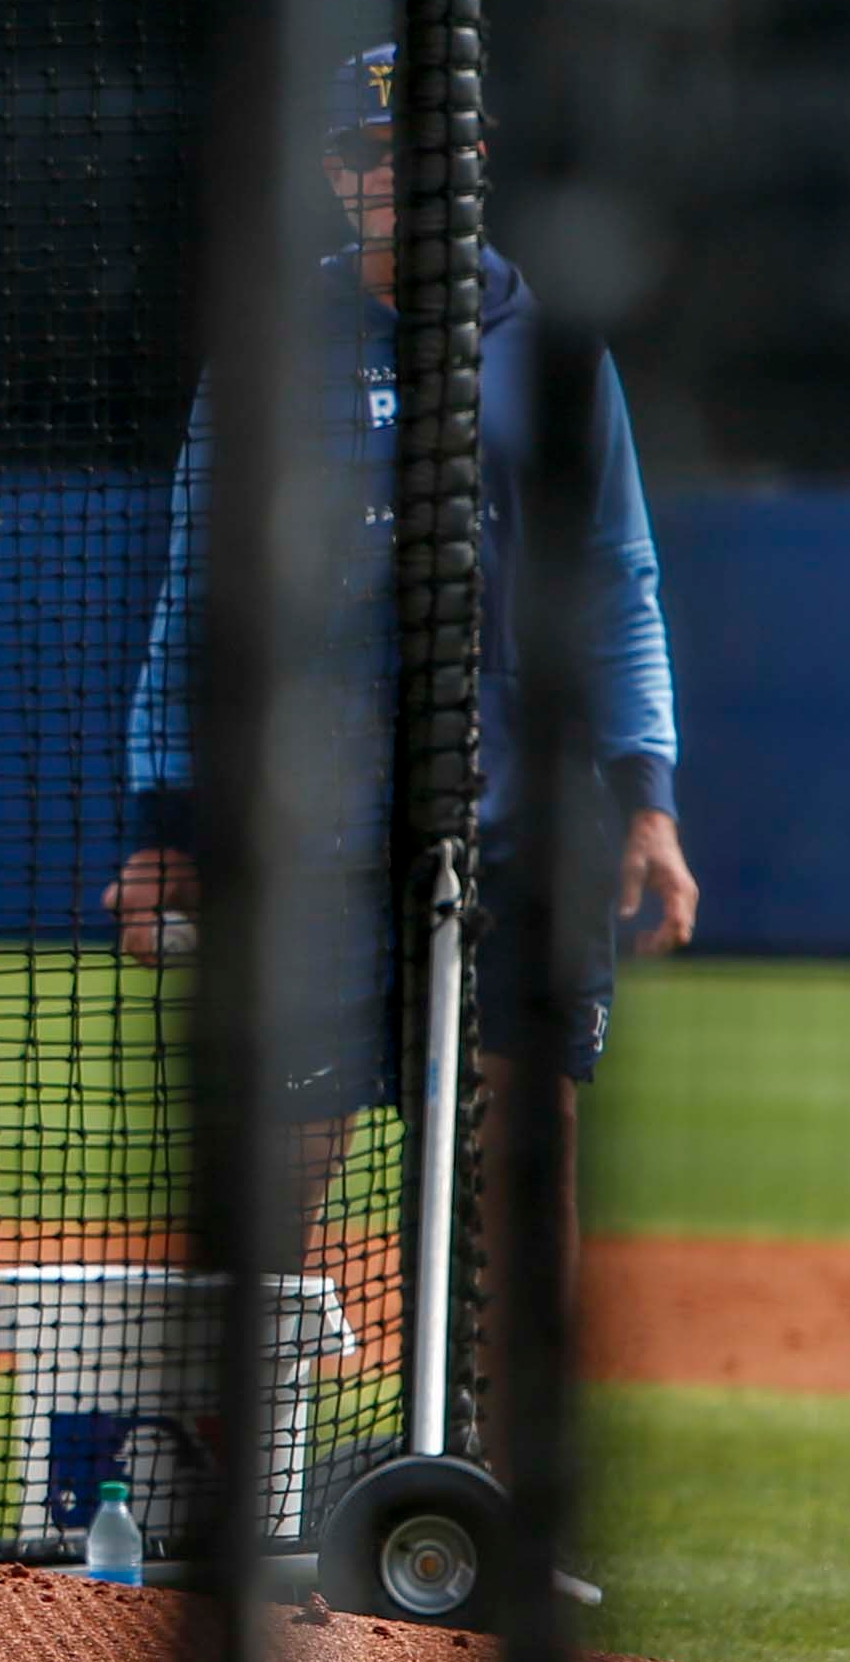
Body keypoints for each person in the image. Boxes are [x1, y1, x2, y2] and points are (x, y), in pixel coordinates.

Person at [102, 42, 699, 1271]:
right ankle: (266, 1457)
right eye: (364, 153)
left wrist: (647, 798)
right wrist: (168, 820)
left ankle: (494, 1465)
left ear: (472, 163)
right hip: (316, 822)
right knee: (276, 1168)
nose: (392, 176)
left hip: (520, 822)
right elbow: (197, 597)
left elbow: (621, 581)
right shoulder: (272, 352)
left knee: (517, 1168)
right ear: (329, 173)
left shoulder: (558, 351)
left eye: (420, 152)